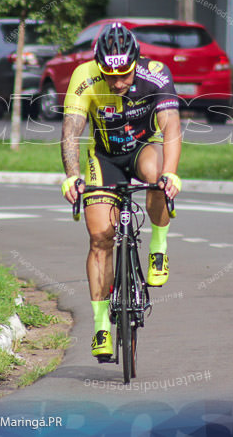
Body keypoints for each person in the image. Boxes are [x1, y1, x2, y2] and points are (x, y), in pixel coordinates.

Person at [60, 22, 182, 360]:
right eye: (109, 75)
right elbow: (71, 130)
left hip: (144, 149)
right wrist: (72, 176)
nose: (117, 82)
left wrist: (171, 173)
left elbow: (171, 124)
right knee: (100, 237)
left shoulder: (155, 74)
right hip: (104, 157)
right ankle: (101, 326)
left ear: (135, 62)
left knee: (156, 176)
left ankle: (158, 246)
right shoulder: (84, 76)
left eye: (124, 75)